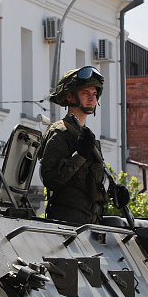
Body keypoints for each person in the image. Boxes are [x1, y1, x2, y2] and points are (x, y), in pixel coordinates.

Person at [39, 66, 127, 225]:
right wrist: (79, 156)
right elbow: (51, 180)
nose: (92, 98)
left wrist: (113, 190)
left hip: (91, 223)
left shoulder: (87, 137)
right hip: (67, 224)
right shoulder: (60, 133)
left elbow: (89, 182)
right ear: (70, 96)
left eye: (94, 94)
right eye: (85, 93)